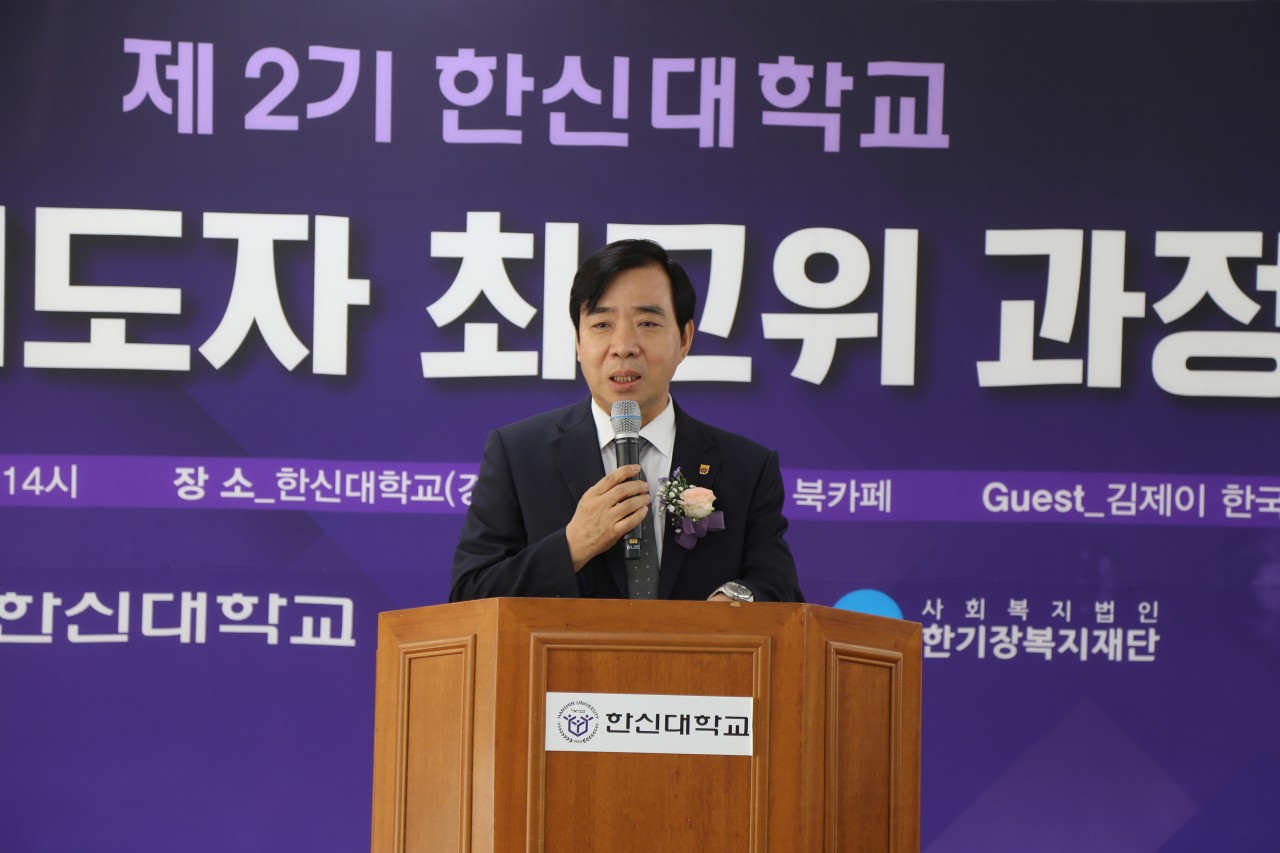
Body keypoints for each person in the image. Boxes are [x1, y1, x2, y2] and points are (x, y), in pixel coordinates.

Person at [449, 238, 804, 603]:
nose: (623, 346)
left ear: (684, 339)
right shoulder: (518, 454)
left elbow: (778, 589)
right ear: (578, 342)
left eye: (647, 323)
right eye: (602, 324)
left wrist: (733, 601)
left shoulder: (747, 467)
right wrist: (572, 546)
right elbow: (470, 594)